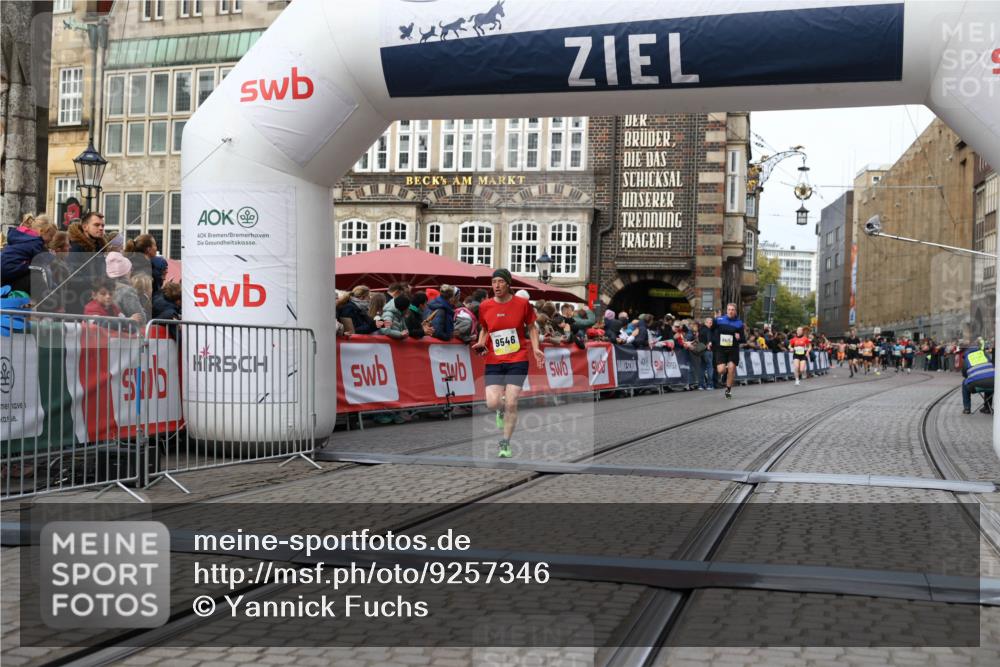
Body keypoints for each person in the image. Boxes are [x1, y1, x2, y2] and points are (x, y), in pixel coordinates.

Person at [473, 268, 544, 459]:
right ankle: (499, 411)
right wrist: (481, 342)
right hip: (494, 359)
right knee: (492, 402)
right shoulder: (485, 306)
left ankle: (505, 443)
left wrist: (536, 348)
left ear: (508, 284)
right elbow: (485, 329)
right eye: (494, 282)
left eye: (500, 282)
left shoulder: (522, 304)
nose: (496, 285)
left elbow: (531, 328)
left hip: (517, 358)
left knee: (512, 401)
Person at [65, 212, 109, 314]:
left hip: (95, 303)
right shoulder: (75, 248)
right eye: (96, 225)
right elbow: (73, 277)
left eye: (102, 225)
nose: (101, 228)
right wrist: (97, 281)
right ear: (85, 227)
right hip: (77, 303)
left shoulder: (99, 248)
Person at [710, 303, 746, 399]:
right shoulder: (719, 320)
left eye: (732, 309)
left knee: (731, 368)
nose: (730, 311)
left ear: (735, 311)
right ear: (726, 310)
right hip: (721, 349)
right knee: (721, 370)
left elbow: (743, 339)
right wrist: (710, 342)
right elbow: (711, 330)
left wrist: (739, 338)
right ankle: (724, 374)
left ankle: (728, 390)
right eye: (729, 309)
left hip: (733, 349)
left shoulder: (739, 323)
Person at [105, 251, 145, 325]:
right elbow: (140, 318)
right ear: (126, 272)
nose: (131, 272)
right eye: (130, 269)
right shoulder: (127, 291)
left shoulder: (102, 288)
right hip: (124, 333)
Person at [961, 340, 994, 414]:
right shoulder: (985, 355)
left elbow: (964, 375)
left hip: (976, 385)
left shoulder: (967, 358)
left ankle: (967, 408)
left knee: (964, 383)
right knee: (988, 380)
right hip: (993, 385)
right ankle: (987, 408)